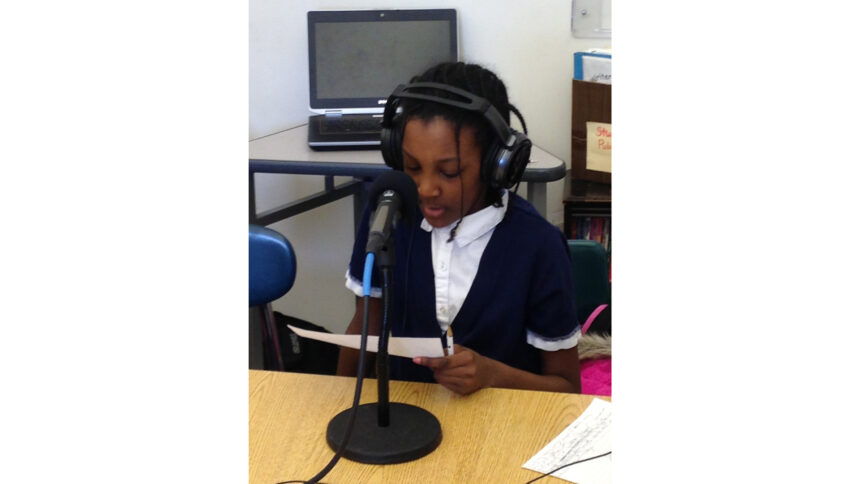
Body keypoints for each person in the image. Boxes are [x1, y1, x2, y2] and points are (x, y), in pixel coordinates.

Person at [336, 62, 581, 395]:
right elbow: (367, 325)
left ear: (498, 163)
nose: (424, 189)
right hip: (407, 424)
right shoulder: (388, 213)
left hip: (503, 431)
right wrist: (337, 404)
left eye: (449, 172)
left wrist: (491, 374)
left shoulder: (538, 246)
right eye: (412, 167)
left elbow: (566, 389)